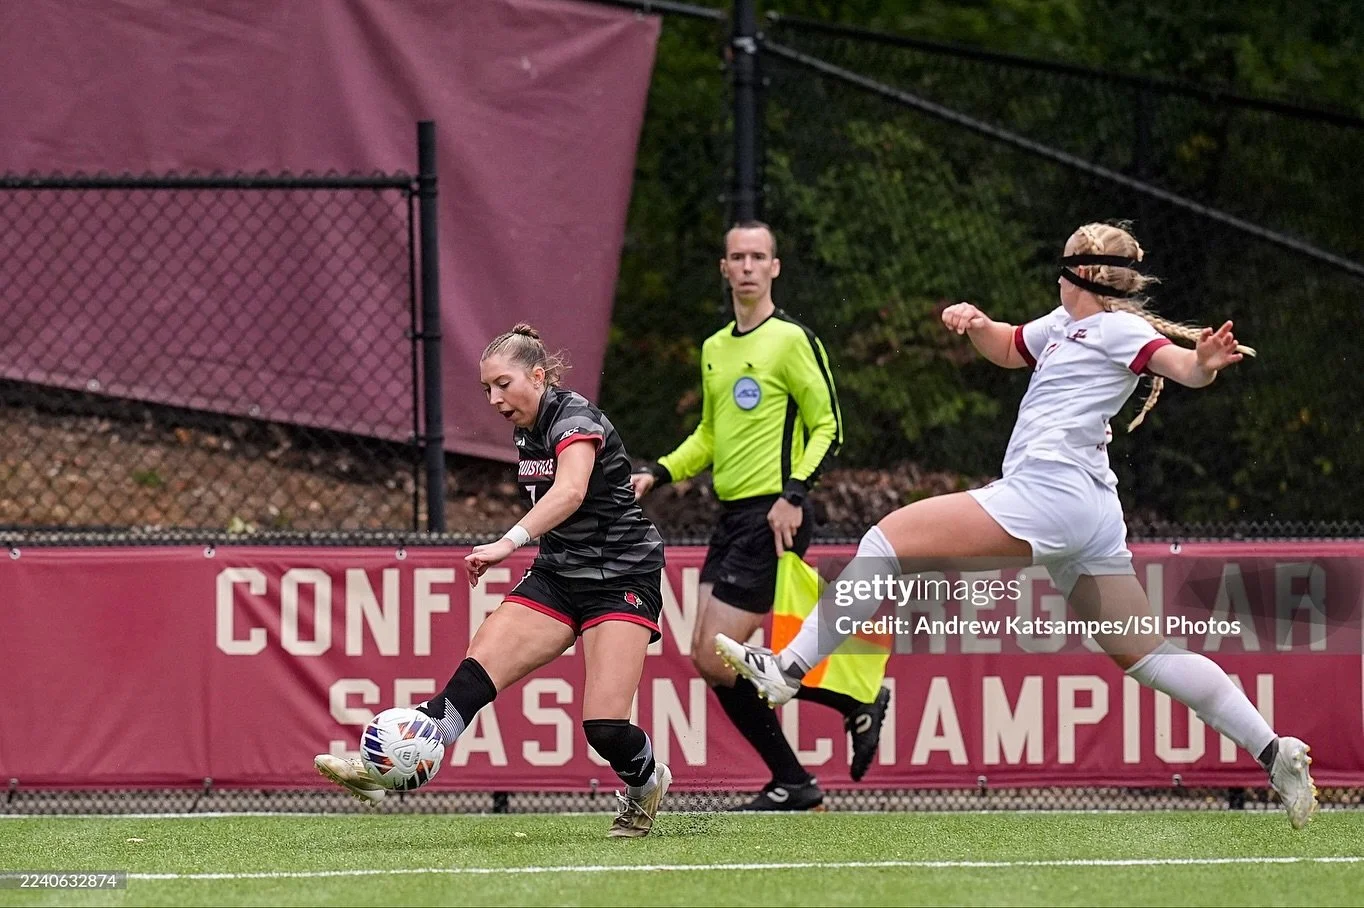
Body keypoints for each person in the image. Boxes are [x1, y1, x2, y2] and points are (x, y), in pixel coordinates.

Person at [717, 221, 1318, 829]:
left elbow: (1182, 368)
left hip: (1048, 496)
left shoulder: (1119, 328)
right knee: (1147, 654)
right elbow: (1007, 347)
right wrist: (979, 325)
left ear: (1074, 272)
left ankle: (788, 669)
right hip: (1086, 509)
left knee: (887, 540)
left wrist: (1204, 363)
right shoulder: (1061, 325)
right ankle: (1275, 751)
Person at [316, 324, 672, 838]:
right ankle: (381, 768)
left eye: (503, 384)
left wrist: (508, 543)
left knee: (604, 726)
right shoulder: (525, 428)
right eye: (486, 388)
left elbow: (571, 491)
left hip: (621, 575)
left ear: (539, 375)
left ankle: (645, 784)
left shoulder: (573, 416)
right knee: (471, 681)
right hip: (558, 574)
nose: (494, 398)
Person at [633, 220, 891, 811]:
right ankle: (837, 726)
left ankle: (800, 772)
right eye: (736, 257)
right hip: (730, 519)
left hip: (774, 517)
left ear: (775, 267)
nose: (747, 266)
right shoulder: (715, 348)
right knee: (713, 662)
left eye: (758, 257)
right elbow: (708, 435)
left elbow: (829, 425)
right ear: (723, 268)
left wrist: (794, 494)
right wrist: (662, 471)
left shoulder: (792, 340)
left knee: (711, 653)